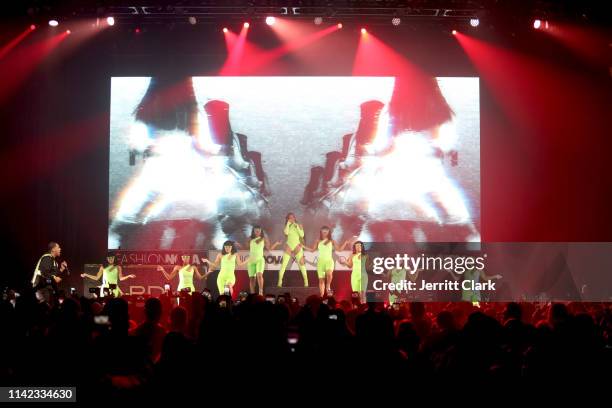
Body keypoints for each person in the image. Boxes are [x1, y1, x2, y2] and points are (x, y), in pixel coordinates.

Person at [304, 226, 350, 297]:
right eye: (323, 231)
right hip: (320, 262)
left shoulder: (331, 241)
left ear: (329, 232)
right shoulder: (318, 241)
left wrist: (345, 243)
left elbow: (339, 250)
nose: (325, 233)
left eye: (326, 231)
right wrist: (303, 246)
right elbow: (312, 250)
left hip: (329, 261)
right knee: (321, 280)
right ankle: (322, 296)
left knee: (329, 274)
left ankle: (328, 285)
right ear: (321, 232)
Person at [238, 225, 280, 295]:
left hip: (260, 260)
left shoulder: (263, 239)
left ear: (261, 231)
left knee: (259, 275)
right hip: (251, 261)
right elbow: (246, 247)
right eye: (255, 231)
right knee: (251, 279)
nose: (257, 232)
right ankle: (252, 294)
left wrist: (276, 244)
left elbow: (269, 249)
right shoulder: (250, 239)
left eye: (258, 231)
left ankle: (260, 292)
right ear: (253, 231)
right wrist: (239, 245)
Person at [277, 213, 308, 287]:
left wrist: (297, 226)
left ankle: (306, 282)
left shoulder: (298, 225)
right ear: (287, 219)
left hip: (297, 245)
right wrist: (288, 223)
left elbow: (302, 235)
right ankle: (279, 282)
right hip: (289, 246)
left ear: (295, 218)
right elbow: (286, 233)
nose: (291, 219)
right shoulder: (287, 226)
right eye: (289, 218)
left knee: (302, 265)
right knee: (283, 265)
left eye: (293, 217)